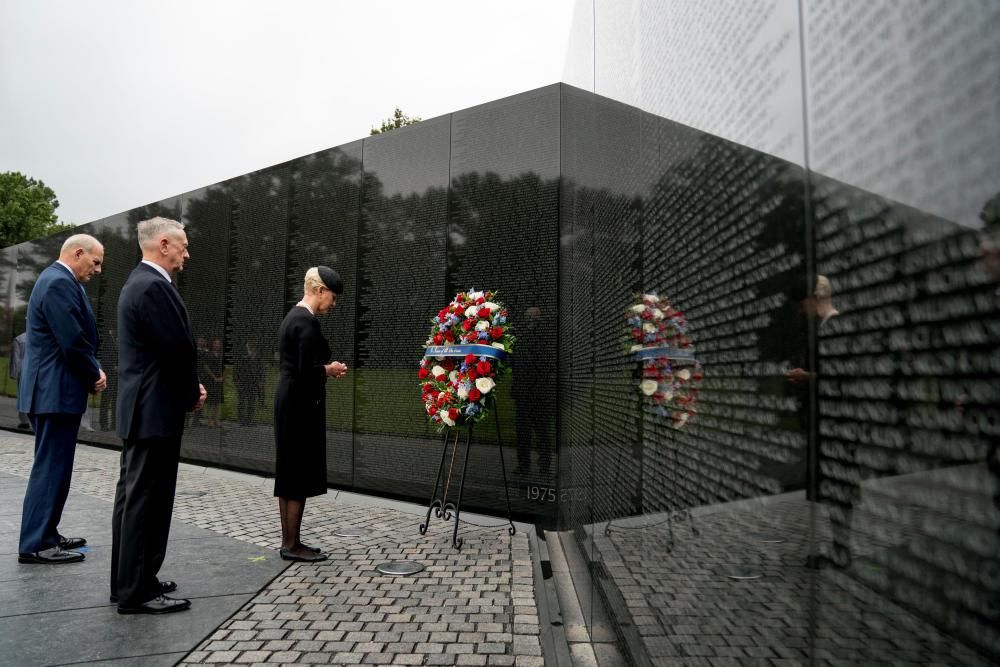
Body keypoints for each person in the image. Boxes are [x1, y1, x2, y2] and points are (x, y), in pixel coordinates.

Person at [111, 217, 206, 614]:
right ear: (163, 245)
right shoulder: (153, 286)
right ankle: (137, 593)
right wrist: (191, 394)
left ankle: (132, 581)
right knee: (147, 501)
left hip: (142, 409)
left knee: (133, 499)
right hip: (155, 410)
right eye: (182, 246)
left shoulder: (138, 282)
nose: (186, 254)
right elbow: (177, 349)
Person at [16, 234, 107, 564]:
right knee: (51, 468)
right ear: (78, 253)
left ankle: (47, 533)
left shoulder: (58, 280)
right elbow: (71, 340)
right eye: (95, 262)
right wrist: (93, 372)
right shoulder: (58, 282)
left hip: (53, 391)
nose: (97, 269)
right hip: (53, 392)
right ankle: (36, 543)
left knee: (56, 466)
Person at [274, 266, 347, 562]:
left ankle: (290, 541)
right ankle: (292, 545)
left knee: (289, 471)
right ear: (319, 291)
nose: (334, 303)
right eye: (332, 296)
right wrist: (328, 370)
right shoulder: (307, 322)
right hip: (300, 405)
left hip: (288, 401)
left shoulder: (293, 316)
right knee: (298, 473)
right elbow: (306, 372)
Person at [9, 330, 30, 429]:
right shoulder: (37, 337)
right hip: (34, 368)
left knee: (22, 395)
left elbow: (15, 357)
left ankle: (24, 420)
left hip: (22, 369)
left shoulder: (19, 339)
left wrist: (13, 373)